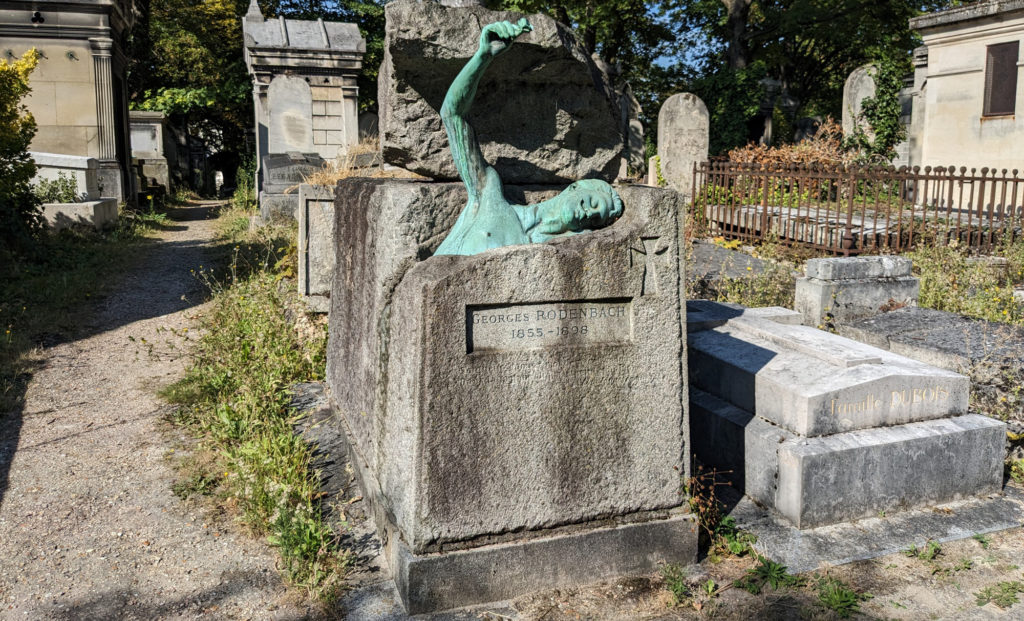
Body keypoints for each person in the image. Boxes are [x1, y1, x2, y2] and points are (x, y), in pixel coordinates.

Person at [435, 18, 623, 256]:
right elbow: (452, 115)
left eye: (596, 220)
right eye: (594, 203)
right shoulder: (489, 194)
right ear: (574, 188)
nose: (591, 214)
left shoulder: (554, 251)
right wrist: (483, 57)